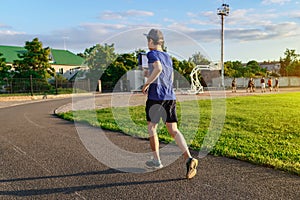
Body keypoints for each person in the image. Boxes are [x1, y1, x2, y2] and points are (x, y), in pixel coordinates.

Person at [142, 29, 198, 179]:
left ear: (152, 41)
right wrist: (151, 75)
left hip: (156, 97)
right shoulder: (168, 56)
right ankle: (189, 158)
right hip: (169, 96)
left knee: (152, 127)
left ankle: (156, 160)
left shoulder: (151, 53)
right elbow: (169, 75)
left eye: (148, 40)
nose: (147, 43)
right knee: (173, 130)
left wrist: (147, 83)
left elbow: (158, 69)